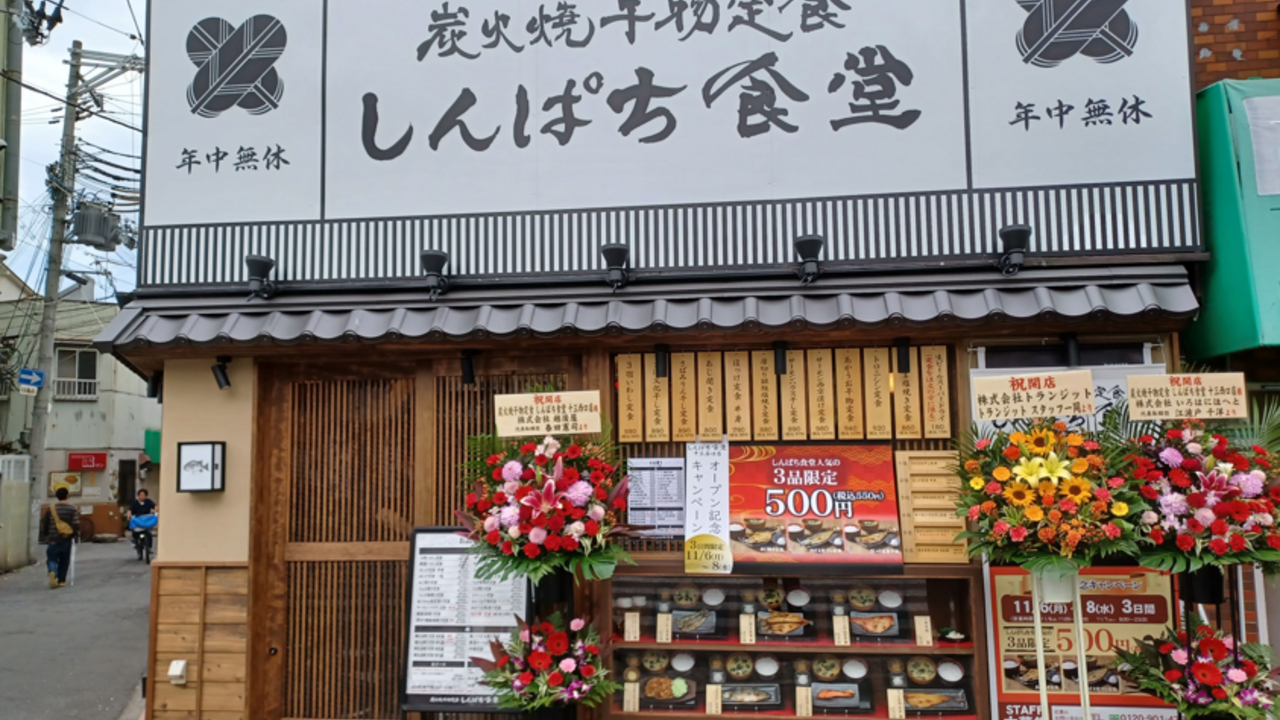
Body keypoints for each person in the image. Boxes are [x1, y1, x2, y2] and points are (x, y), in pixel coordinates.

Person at [40, 487, 79, 589]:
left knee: (52, 558)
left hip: (53, 537)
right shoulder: (72, 508)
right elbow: (75, 523)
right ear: (67, 496)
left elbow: (45, 522)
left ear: (57, 496)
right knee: (64, 559)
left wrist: (45, 534)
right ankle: (61, 580)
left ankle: (52, 571)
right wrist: (75, 534)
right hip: (66, 538)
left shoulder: (51, 508)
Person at [126, 489, 158, 560]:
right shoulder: (134, 503)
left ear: (146, 496)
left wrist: (156, 510)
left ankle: (149, 547)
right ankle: (135, 543)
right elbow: (130, 510)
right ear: (138, 496)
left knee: (149, 534)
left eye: (143, 495)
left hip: (146, 521)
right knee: (135, 532)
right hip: (138, 521)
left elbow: (155, 506)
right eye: (140, 495)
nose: (142, 496)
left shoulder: (148, 501)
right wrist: (129, 515)